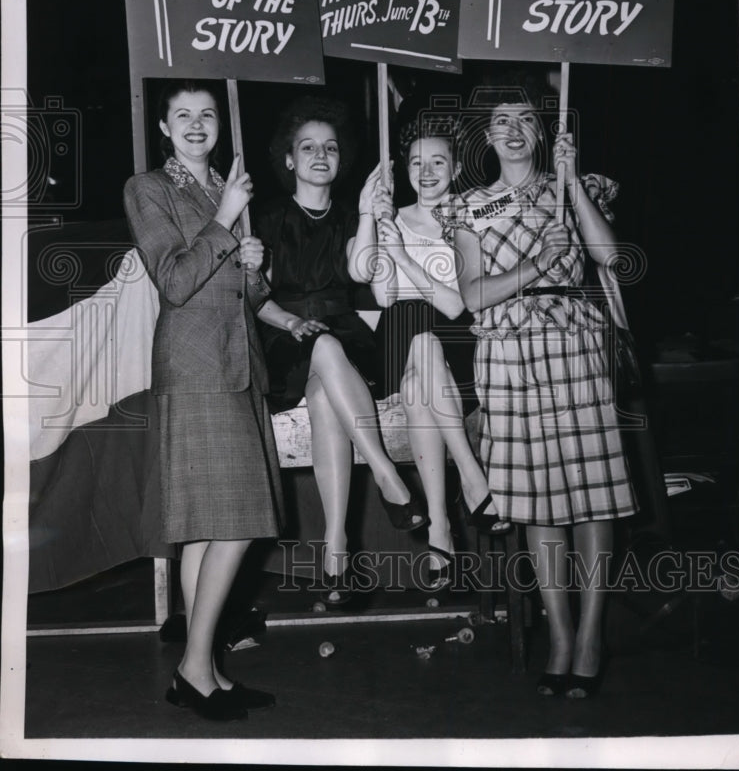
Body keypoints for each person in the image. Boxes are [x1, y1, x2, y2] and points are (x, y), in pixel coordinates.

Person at [437, 75, 638, 699]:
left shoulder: (574, 187)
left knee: (593, 497)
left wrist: (572, 181)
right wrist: (535, 264)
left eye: (526, 118)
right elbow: (470, 297)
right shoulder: (469, 205)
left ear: (544, 129)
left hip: (576, 344)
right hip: (506, 353)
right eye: (501, 120)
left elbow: (609, 258)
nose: (514, 130)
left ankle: (591, 635)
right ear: (485, 135)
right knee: (537, 503)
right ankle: (559, 633)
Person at [124, 80, 303, 721]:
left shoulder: (227, 184)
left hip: (238, 365)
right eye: (184, 116)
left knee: (206, 530)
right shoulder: (150, 188)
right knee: (237, 521)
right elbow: (174, 279)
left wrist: (256, 267)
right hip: (195, 367)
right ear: (166, 128)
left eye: (207, 114)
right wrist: (227, 220)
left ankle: (205, 674)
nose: (197, 124)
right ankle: (195, 666)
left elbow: (244, 294)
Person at [255, 96, 427, 606]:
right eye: (307, 147)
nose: (319, 155)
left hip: (344, 335)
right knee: (322, 345)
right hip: (284, 337)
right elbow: (255, 298)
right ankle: (387, 474)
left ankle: (335, 551)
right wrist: (289, 320)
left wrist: (371, 214)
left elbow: (360, 274)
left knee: (328, 388)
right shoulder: (262, 217)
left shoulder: (350, 213)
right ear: (289, 159)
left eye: (329, 148)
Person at [350, 112, 511, 594]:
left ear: (456, 165)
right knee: (418, 339)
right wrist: (380, 230)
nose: (426, 171)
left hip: (456, 343)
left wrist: (403, 259)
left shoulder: (471, 216)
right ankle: (471, 476)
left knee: (423, 375)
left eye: (437, 161)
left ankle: (440, 525)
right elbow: (382, 298)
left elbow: (457, 303)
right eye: (416, 162)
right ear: (404, 169)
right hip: (402, 336)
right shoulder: (391, 218)